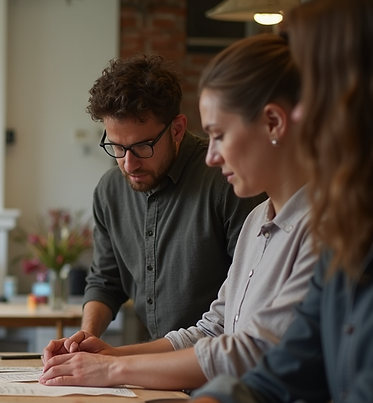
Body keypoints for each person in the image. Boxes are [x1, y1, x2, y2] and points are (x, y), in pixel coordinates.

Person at [34, 0, 373, 403]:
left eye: (308, 93)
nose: (295, 115)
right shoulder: (347, 226)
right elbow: (272, 380)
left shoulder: (339, 225)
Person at [40, 35, 316, 391]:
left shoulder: (316, 227)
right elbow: (213, 329)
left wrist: (114, 369)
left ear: (177, 129)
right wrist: (106, 356)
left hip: (234, 398)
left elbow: (251, 352)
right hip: (210, 391)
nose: (212, 156)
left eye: (219, 135)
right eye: (117, 147)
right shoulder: (258, 220)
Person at [76, 54, 264, 342]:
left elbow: (250, 291)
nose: (129, 164)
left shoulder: (227, 180)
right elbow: (105, 281)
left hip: (222, 357)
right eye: (117, 147)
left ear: (177, 129)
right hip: (157, 359)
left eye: (142, 146)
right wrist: (85, 337)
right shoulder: (110, 190)